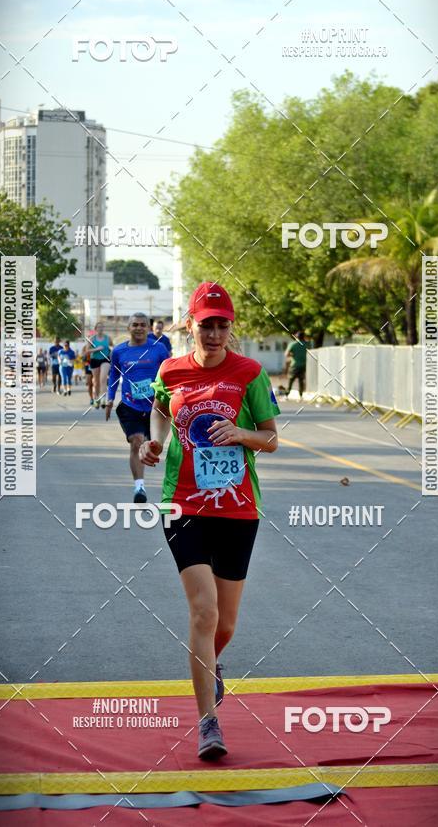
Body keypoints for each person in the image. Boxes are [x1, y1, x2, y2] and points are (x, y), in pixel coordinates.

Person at [140, 282, 280, 761]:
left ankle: (212, 663)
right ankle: (207, 723)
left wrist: (240, 432)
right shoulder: (171, 369)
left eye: (222, 325)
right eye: (206, 325)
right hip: (182, 504)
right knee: (203, 611)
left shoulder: (251, 373)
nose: (215, 333)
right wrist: (152, 442)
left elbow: (271, 438)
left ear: (230, 327)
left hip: (238, 508)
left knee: (225, 621)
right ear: (191, 326)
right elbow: (159, 412)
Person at [105, 313, 170, 502]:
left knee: (152, 446)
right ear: (129, 328)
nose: (139, 328)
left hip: (155, 408)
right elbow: (113, 377)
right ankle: (139, 488)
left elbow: (168, 374)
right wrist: (109, 399)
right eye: (135, 325)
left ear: (148, 328)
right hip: (130, 405)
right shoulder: (119, 351)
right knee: (136, 440)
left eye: (143, 325)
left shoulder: (159, 349)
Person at [89, 322, 112, 409]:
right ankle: (96, 399)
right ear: (95, 329)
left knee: (103, 379)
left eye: (102, 327)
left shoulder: (108, 338)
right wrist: (96, 349)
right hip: (94, 360)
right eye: (99, 327)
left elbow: (112, 346)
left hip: (105, 359)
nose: (100, 329)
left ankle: (103, 399)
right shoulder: (92, 339)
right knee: (96, 382)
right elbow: (87, 350)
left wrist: (112, 350)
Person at [284, 330, 309, 400]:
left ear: (296, 337)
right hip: (303, 365)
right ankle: (301, 395)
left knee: (290, 380)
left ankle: (287, 395)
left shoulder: (293, 344)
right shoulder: (306, 344)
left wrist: (293, 355)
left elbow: (286, 354)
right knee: (301, 381)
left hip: (294, 365)